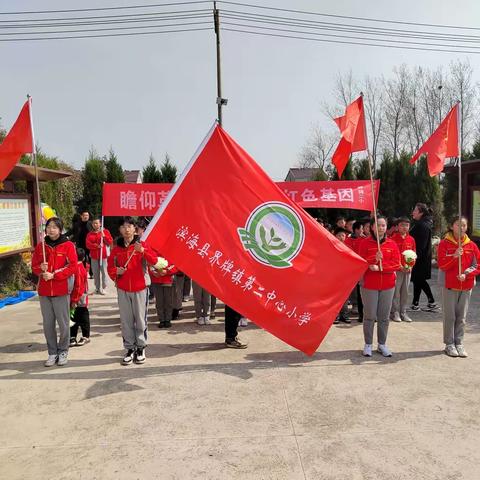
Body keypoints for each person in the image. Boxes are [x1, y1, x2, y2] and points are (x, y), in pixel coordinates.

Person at [107, 216, 157, 366]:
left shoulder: (141, 244)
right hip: (123, 289)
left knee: (140, 319)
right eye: (123, 226)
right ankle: (129, 348)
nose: (127, 229)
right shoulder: (116, 249)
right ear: (120, 230)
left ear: (135, 228)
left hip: (140, 287)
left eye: (129, 226)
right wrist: (117, 271)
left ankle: (141, 348)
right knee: (126, 320)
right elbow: (110, 268)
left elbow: (154, 260)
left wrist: (142, 251)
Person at [32, 217, 78, 367]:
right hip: (45, 291)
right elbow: (34, 266)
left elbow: (73, 267)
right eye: (49, 227)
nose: (51, 230)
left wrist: (55, 275)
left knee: (64, 324)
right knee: (48, 324)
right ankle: (52, 352)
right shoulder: (41, 246)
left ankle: (63, 350)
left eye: (54, 227)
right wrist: (41, 269)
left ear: (60, 229)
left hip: (61, 290)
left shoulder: (68, 245)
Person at [358, 216, 401, 357]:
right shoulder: (364, 243)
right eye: (378, 225)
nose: (381, 228)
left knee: (384, 317)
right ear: (372, 227)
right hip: (369, 285)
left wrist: (381, 267)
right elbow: (360, 262)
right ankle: (368, 344)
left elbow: (396, 264)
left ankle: (382, 344)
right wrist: (373, 259)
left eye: (383, 225)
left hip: (388, 285)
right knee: (369, 315)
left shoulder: (392, 244)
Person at [438, 216, 480, 358]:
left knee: (461, 317)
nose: (461, 228)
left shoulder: (472, 245)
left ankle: (459, 342)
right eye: (458, 225)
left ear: (466, 227)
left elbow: (477, 265)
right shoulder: (444, 244)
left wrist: (467, 274)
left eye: (463, 225)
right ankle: (449, 344)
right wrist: (454, 256)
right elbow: (442, 265)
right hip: (449, 286)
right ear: (452, 226)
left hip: (466, 285)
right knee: (449, 316)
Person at [410, 203, 438, 311]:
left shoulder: (422, 225)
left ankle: (431, 301)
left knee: (420, 280)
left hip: (420, 258)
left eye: (415, 210)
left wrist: (414, 257)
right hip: (421, 257)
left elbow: (421, 245)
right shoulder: (422, 223)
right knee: (418, 280)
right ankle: (415, 303)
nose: (413, 212)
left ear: (421, 213)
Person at [390, 217, 416, 323]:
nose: (404, 227)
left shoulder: (411, 239)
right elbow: (392, 254)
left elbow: (413, 254)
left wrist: (410, 266)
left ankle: (403, 312)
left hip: (407, 270)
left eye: (407, 225)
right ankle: (394, 312)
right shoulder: (392, 239)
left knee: (405, 292)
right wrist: (399, 266)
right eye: (402, 225)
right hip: (397, 269)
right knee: (396, 292)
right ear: (397, 227)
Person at [149, 253, 178, 329]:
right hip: (156, 280)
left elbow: (175, 266)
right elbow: (150, 265)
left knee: (168, 301)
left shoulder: (170, 253)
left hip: (167, 280)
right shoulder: (153, 253)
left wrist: (167, 272)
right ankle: (161, 320)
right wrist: (153, 273)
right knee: (159, 302)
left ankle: (168, 320)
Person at [86, 216, 113, 295]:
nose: (95, 225)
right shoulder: (90, 234)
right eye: (94, 223)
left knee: (104, 272)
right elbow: (88, 244)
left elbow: (109, 241)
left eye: (97, 223)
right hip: (94, 256)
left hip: (103, 255)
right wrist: (96, 246)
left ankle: (104, 288)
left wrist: (104, 236)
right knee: (95, 272)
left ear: (100, 223)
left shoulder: (105, 231)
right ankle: (97, 288)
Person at [70, 248, 91, 347]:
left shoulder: (77, 268)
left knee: (82, 317)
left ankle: (85, 336)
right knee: (73, 317)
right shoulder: (79, 266)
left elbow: (78, 286)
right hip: (77, 297)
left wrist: (74, 300)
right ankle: (72, 336)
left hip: (79, 297)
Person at [345, 221, 364, 322]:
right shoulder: (348, 240)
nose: (362, 231)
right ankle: (352, 305)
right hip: (352, 268)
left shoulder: (364, 239)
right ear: (356, 230)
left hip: (362, 268)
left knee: (360, 288)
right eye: (361, 228)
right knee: (352, 289)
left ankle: (358, 307)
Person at [333, 227, 351, 324]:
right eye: (339, 235)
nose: (341, 237)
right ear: (335, 236)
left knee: (345, 297)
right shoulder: (332, 246)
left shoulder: (348, 248)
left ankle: (345, 314)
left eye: (343, 235)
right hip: (335, 275)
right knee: (335, 296)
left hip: (345, 276)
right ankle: (335, 315)